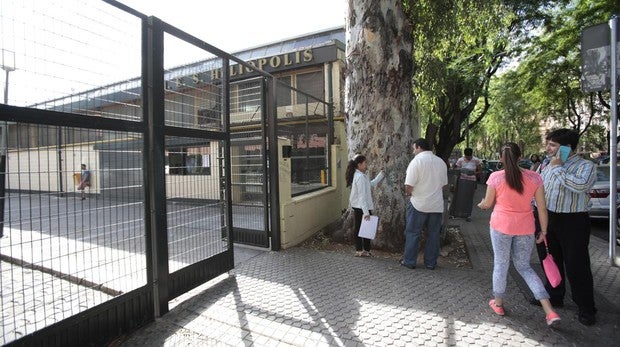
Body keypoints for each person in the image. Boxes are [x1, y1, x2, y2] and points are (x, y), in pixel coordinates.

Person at [477, 142, 561, 326]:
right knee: (524, 267)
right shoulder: (535, 177)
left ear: (500, 158)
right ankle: (549, 311)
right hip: (526, 228)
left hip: (501, 226)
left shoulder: (495, 177)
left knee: (501, 264)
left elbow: (488, 204)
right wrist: (544, 231)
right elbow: (542, 209)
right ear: (520, 157)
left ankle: (498, 303)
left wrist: (482, 204)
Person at [531, 129, 598, 326]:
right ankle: (555, 295)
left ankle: (586, 308)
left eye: (553, 145)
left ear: (568, 148)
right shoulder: (547, 164)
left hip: (573, 221)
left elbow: (580, 186)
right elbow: (539, 189)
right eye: (548, 144)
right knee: (550, 259)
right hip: (547, 218)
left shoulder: (586, 166)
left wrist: (559, 168)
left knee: (577, 265)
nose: (548, 148)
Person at [401, 138, 447, 270]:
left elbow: (408, 186)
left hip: (418, 204)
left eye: (414, 148)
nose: (413, 151)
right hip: (436, 205)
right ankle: (431, 263)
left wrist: (409, 194)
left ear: (419, 147)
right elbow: (444, 185)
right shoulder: (440, 162)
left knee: (413, 233)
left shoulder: (416, 162)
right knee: (433, 234)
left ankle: (409, 261)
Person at [346, 154, 385, 257]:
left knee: (366, 228)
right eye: (365, 162)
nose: (367, 164)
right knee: (360, 228)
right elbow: (362, 196)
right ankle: (360, 250)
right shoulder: (359, 177)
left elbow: (371, 183)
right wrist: (366, 212)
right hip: (361, 207)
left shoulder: (362, 176)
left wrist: (381, 175)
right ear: (359, 164)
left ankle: (365, 250)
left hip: (362, 206)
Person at [453, 148, 482, 221]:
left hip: (471, 181)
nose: (468, 158)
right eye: (467, 156)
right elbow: (456, 170)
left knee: (469, 198)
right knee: (460, 197)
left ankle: (468, 215)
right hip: (462, 180)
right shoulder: (460, 160)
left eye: (469, 156)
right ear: (464, 155)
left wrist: (474, 173)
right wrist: (461, 171)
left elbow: (480, 171)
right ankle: (458, 214)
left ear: (472, 154)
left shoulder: (476, 160)